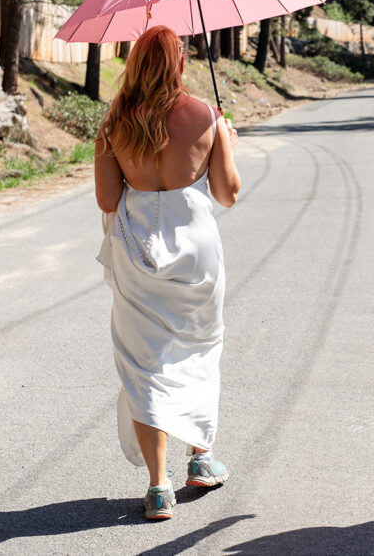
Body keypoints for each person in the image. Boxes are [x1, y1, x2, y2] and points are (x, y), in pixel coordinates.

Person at [94, 25, 241, 520]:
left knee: (145, 364)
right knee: (199, 350)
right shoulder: (204, 114)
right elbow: (227, 193)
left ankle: (159, 487)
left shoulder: (114, 121)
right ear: (179, 63)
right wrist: (227, 140)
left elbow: (108, 199)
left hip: (138, 250)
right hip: (196, 248)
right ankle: (201, 458)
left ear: (135, 62)